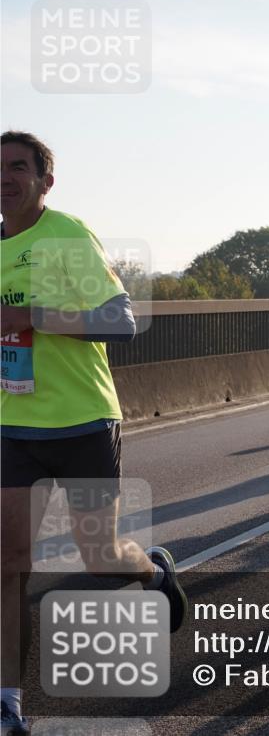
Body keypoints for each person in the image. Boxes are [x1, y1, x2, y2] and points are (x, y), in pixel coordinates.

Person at [1, 131, 187, 736]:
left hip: (81, 420)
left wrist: (32, 317)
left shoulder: (67, 236)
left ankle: (152, 572)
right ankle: (8, 702)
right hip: (11, 425)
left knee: (101, 558)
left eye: (18, 168)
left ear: (45, 182)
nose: (5, 178)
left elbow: (121, 320)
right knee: (9, 563)